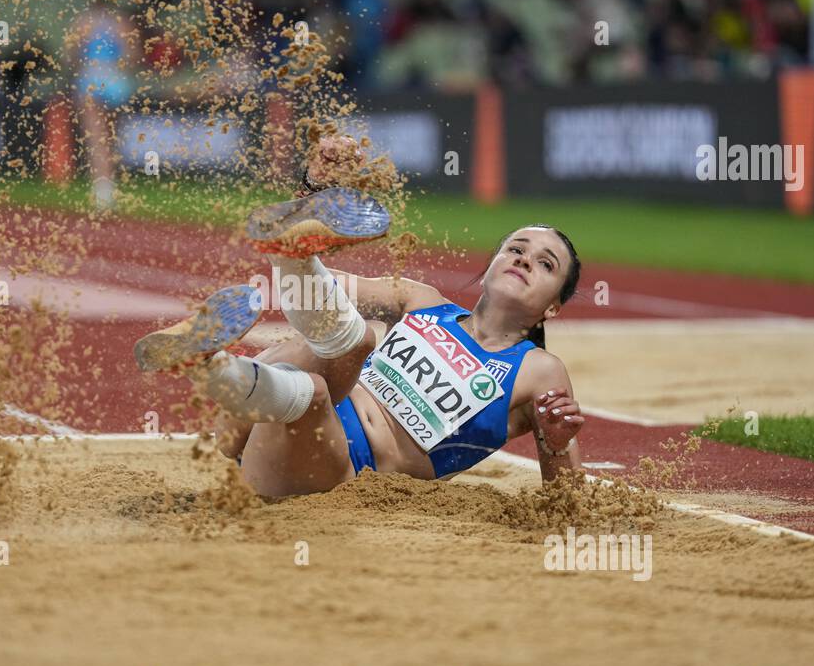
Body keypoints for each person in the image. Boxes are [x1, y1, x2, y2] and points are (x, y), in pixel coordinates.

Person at [134, 137, 584, 498]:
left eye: (546, 264)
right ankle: (288, 248)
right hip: (253, 433)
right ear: (490, 265)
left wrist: (558, 441)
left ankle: (212, 367)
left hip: (335, 470)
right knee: (343, 343)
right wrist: (313, 191)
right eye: (516, 249)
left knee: (314, 386)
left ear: (552, 307)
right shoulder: (422, 301)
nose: (525, 261)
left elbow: (566, 501)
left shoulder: (539, 370)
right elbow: (317, 287)